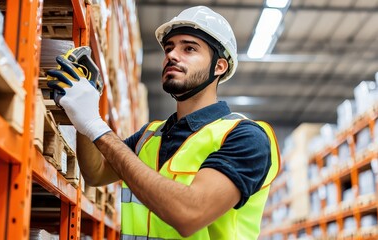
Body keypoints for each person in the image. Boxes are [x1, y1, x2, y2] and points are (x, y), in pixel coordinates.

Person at [47, 5, 280, 239]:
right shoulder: (150, 135)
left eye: (189, 48)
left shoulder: (246, 136)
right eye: (169, 48)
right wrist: (83, 113)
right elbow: (96, 173)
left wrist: (95, 125)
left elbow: (190, 214)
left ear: (219, 66)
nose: (171, 55)